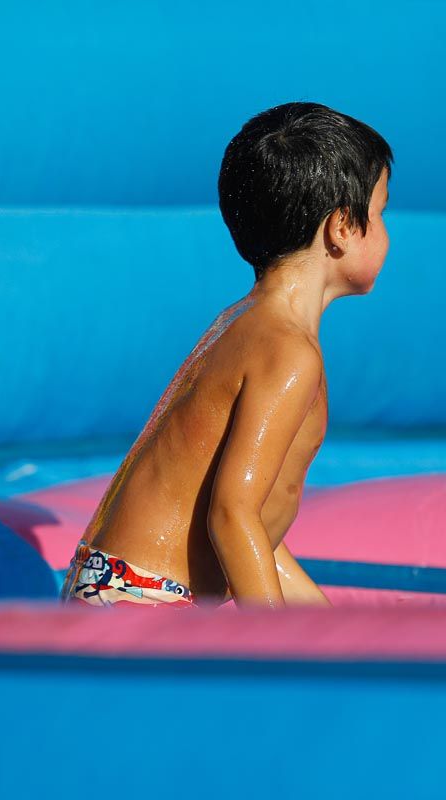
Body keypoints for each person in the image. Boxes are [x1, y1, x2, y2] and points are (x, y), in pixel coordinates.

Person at [62, 102, 392, 608]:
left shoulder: (243, 323)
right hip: (148, 598)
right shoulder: (287, 351)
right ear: (342, 227)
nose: (386, 230)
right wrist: (268, 651)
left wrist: (332, 631)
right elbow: (231, 517)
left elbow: (253, 532)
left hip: (119, 581)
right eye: (379, 213)